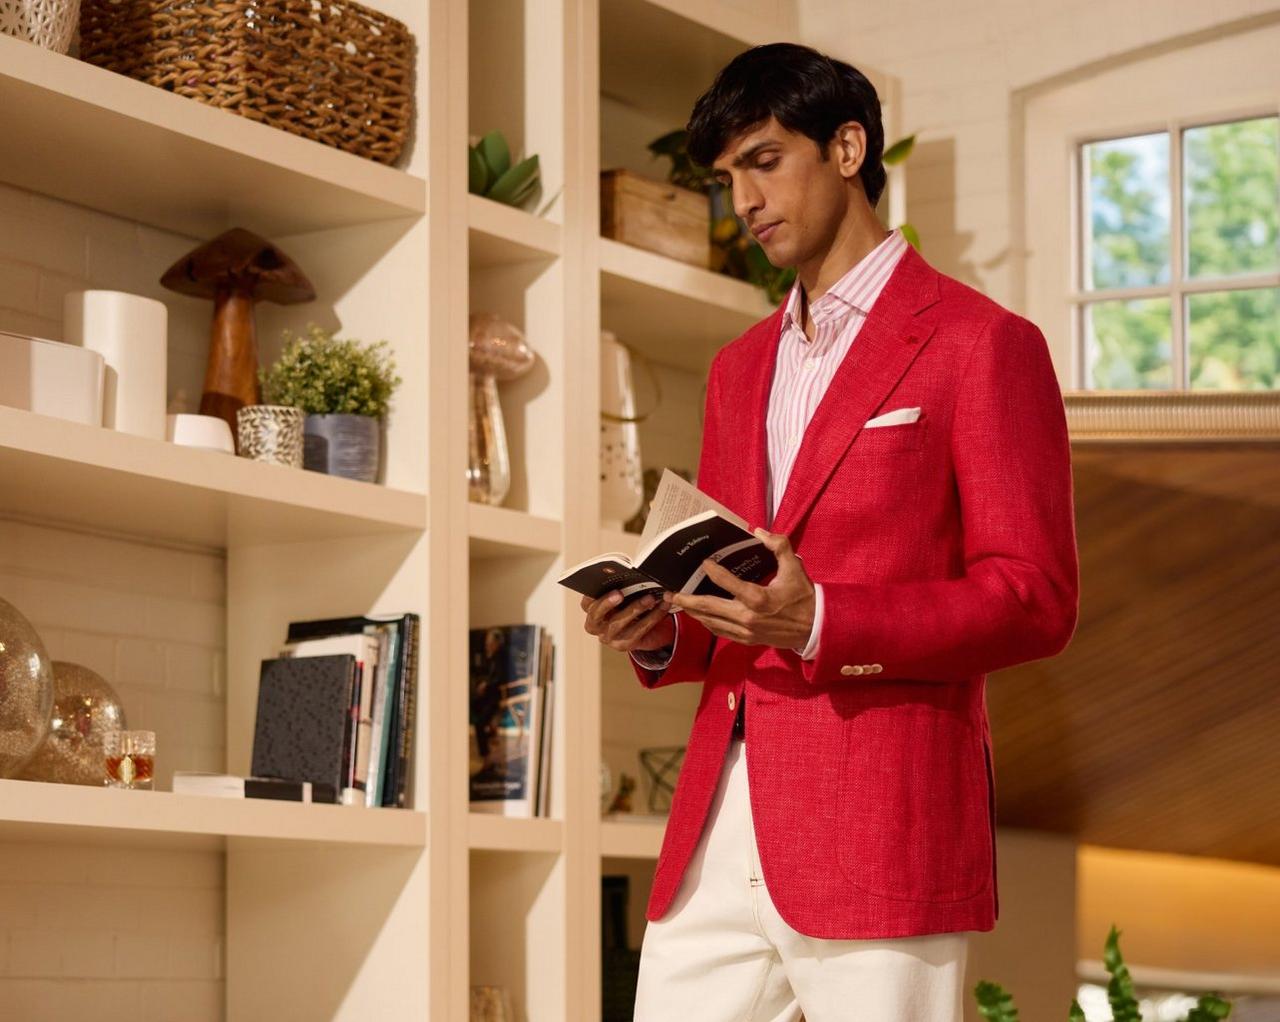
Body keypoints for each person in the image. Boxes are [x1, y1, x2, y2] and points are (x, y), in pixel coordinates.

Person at [578, 41, 1080, 1022]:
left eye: (762, 160)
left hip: (882, 817)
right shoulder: (737, 367)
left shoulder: (982, 345)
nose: (743, 201)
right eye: (727, 179)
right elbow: (729, 587)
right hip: (718, 822)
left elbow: (1034, 597)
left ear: (846, 147)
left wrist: (823, 620)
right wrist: (661, 629)